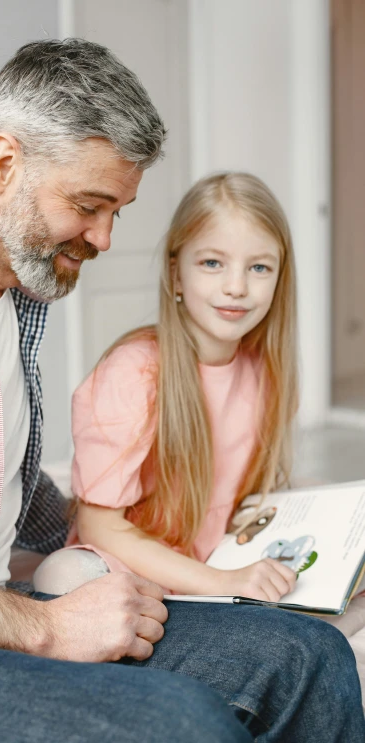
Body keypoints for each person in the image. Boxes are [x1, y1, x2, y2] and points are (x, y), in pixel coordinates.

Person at [0, 39, 362, 743]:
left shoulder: (19, 300)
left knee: (307, 660)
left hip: (2, 605)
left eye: (117, 211)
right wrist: (46, 625)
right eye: (88, 206)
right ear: (2, 164)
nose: (105, 239)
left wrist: (116, 552)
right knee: (187, 737)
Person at [34, 173, 301, 601]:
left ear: (278, 278)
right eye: (212, 263)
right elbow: (101, 527)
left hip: (213, 558)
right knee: (64, 575)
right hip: (141, 566)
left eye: (259, 267)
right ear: (176, 275)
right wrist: (222, 583)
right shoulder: (135, 372)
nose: (236, 286)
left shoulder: (263, 372)